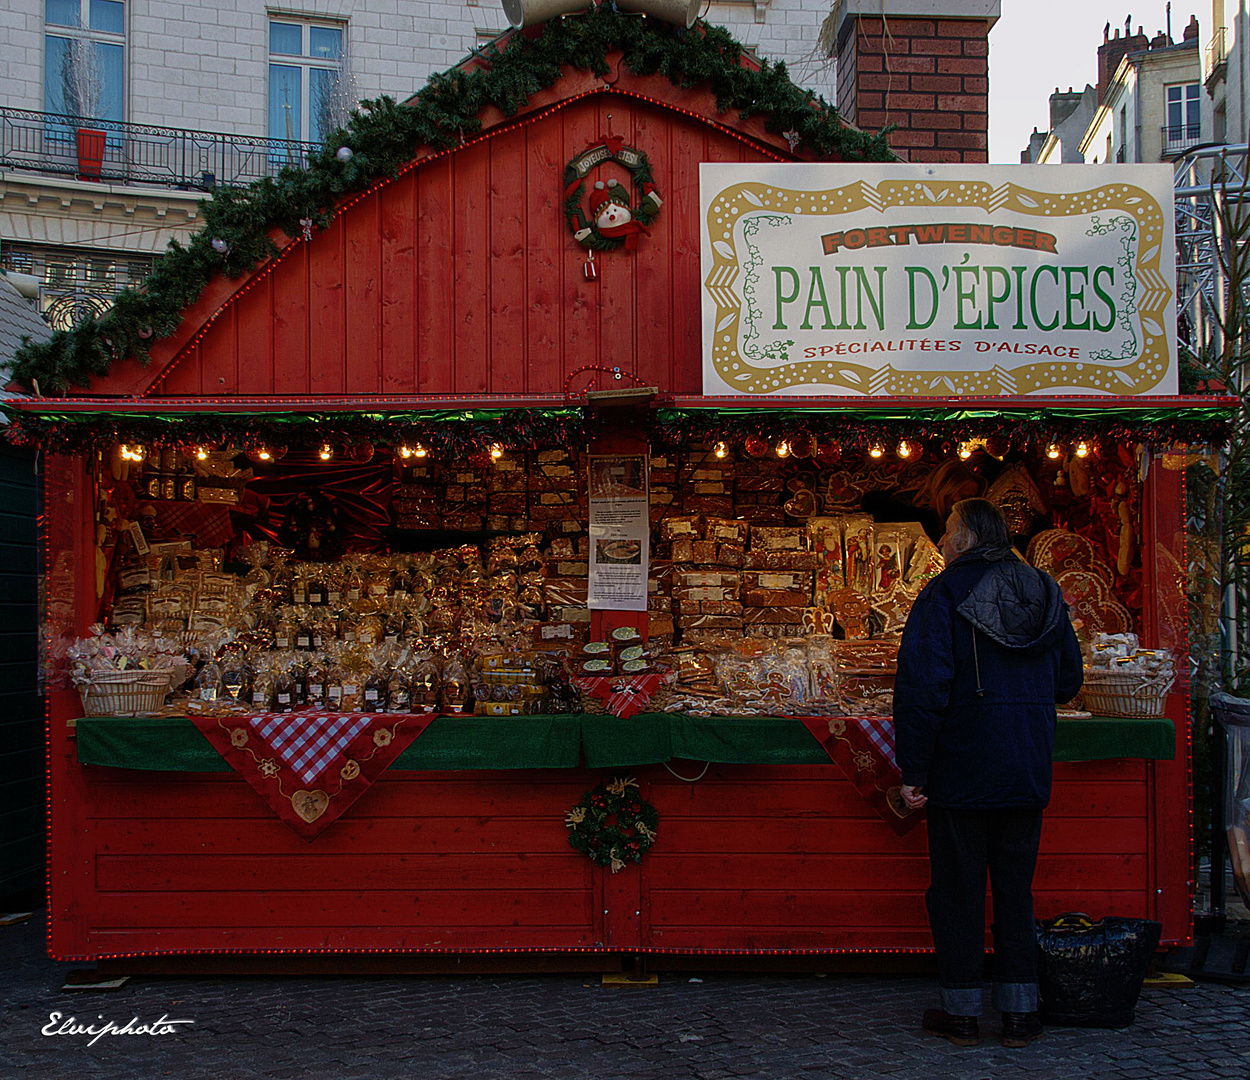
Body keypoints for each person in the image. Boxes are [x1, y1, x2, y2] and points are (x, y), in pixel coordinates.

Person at [893, 498, 1083, 1049]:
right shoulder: (1044, 589)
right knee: (1015, 890)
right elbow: (1069, 680)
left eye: (948, 531)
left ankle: (963, 1013)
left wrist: (915, 770)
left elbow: (923, 690)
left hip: (962, 764)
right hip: (1025, 762)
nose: (943, 541)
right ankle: (1021, 1013)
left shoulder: (944, 593)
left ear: (970, 536)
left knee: (958, 890)